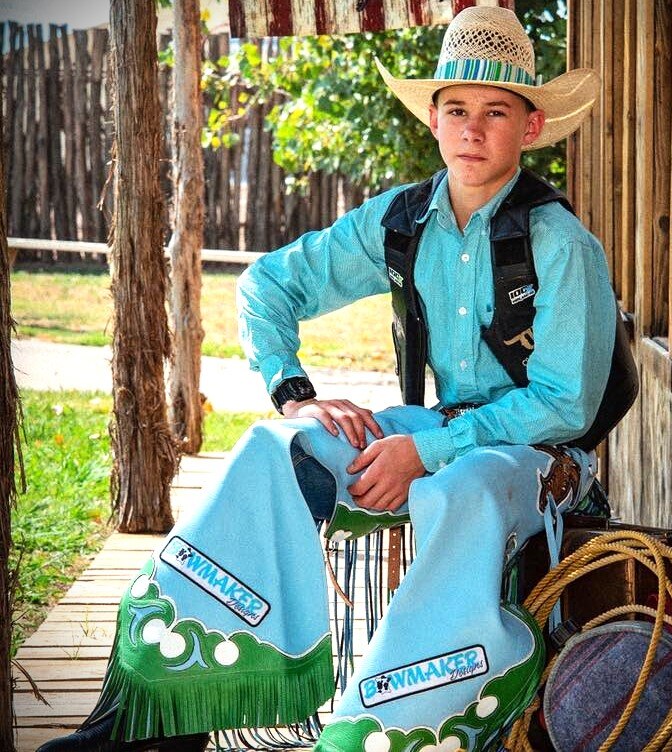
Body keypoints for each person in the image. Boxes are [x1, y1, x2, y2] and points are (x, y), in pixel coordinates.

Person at [38, 7, 618, 752]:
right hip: (445, 428)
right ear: (434, 122)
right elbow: (267, 284)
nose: (473, 129)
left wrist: (429, 453)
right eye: (458, 110)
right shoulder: (401, 222)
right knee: (279, 448)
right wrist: (296, 394)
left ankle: (392, 728)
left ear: (530, 127)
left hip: (547, 457)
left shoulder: (562, 244)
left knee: (458, 490)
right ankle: (161, 716)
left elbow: (565, 403)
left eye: (496, 112)